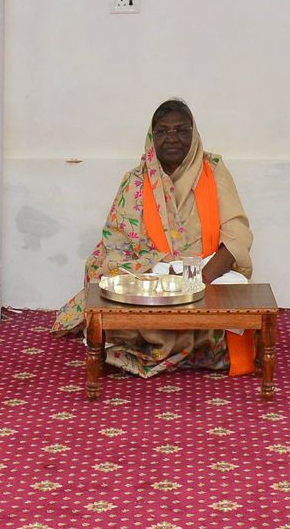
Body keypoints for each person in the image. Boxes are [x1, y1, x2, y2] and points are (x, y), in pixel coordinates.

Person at [52, 100, 255, 377]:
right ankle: (189, 348)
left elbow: (237, 232)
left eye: (181, 130)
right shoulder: (135, 181)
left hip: (204, 273)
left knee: (238, 289)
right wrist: (158, 272)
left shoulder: (213, 169)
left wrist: (201, 279)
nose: (172, 138)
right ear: (152, 137)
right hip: (153, 275)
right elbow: (115, 243)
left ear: (194, 134)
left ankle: (157, 347)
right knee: (105, 282)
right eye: (163, 131)